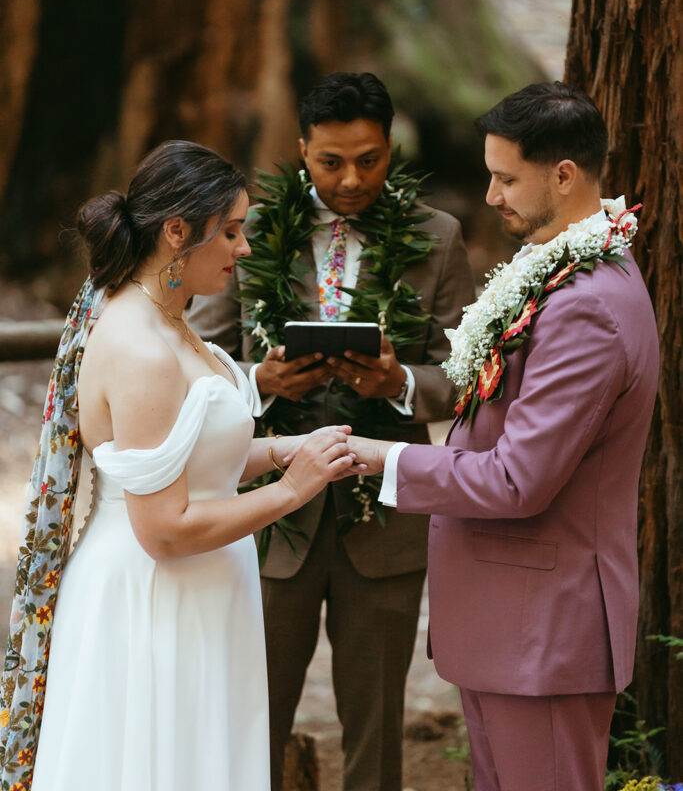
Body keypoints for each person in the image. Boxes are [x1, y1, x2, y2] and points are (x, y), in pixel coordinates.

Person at [0, 140, 361, 791]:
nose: (242, 249)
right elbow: (163, 528)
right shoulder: (140, 347)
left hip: (204, 593)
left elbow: (191, 462)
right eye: (229, 232)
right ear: (176, 232)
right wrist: (290, 489)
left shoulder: (173, 321)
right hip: (152, 601)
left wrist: (284, 451)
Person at [345, 82, 660, 791]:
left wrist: (387, 458)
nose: (489, 196)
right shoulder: (557, 271)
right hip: (506, 626)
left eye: (504, 178)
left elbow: (519, 480)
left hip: (544, 632)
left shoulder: (588, 308)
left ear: (563, 175)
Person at [189, 72, 475, 791]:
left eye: (370, 159)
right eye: (330, 162)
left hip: (382, 519)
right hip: (266, 516)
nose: (351, 179)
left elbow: (467, 374)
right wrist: (260, 382)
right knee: (251, 716)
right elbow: (194, 361)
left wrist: (399, 383)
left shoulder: (437, 238)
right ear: (301, 151)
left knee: (375, 729)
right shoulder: (245, 233)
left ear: (390, 150)